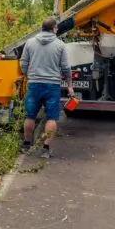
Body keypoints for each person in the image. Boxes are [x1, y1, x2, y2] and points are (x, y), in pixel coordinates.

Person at [19, 16, 74, 158]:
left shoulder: (30, 43)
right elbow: (66, 68)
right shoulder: (60, 45)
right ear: (54, 28)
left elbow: (23, 63)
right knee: (51, 118)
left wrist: (28, 75)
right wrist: (69, 86)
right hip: (52, 86)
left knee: (30, 116)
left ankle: (26, 145)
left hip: (34, 84)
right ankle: (45, 149)